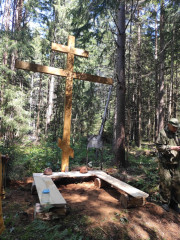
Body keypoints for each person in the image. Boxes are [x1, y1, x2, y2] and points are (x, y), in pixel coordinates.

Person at [156, 118, 180, 213]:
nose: (175, 129)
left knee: (177, 183)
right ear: (169, 125)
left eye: (177, 127)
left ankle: (174, 203)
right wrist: (172, 147)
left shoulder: (177, 133)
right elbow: (159, 146)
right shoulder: (163, 133)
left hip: (177, 162)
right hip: (165, 162)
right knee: (166, 182)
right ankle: (165, 202)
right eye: (174, 127)